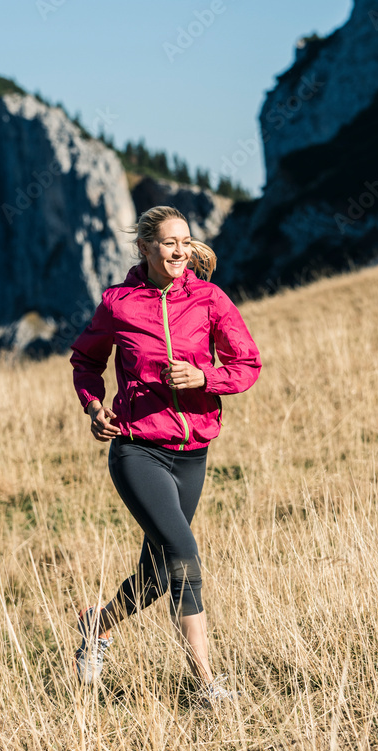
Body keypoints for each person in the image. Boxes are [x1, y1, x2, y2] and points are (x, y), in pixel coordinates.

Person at [68, 205, 262, 702]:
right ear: (145, 247)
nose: (180, 251)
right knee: (184, 555)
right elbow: (86, 361)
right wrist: (94, 406)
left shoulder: (209, 299)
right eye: (169, 242)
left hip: (193, 451)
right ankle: (206, 683)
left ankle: (97, 625)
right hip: (137, 449)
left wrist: (204, 377)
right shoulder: (119, 303)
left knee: (157, 574)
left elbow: (247, 364)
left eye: (186, 241)